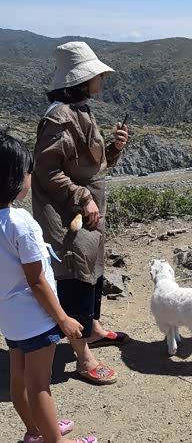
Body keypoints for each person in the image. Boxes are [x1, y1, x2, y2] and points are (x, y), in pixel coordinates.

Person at [32, 41, 129, 386]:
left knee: (92, 270)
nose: (103, 78)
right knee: (76, 275)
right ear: (81, 80)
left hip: (86, 210)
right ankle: (82, 356)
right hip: (67, 213)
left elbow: (88, 164)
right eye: (97, 74)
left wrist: (114, 149)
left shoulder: (80, 110)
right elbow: (47, 171)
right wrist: (82, 197)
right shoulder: (59, 118)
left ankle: (92, 329)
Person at [0, 134, 97, 443]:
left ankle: (35, 431)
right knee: (40, 384)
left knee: (19, 381)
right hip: (36, 319)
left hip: (10, 319)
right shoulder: (21, 223)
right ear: (17, 178)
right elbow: (37, 280)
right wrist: (63, 319)